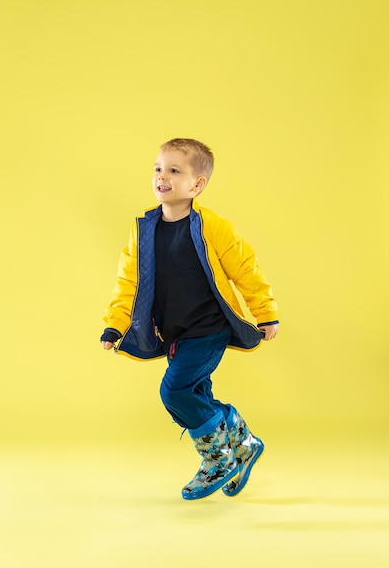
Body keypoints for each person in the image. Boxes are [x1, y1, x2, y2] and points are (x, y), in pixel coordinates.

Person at [100, 138, 279, 500]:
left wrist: (265, 313)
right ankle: (242, 443)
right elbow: (129, 283)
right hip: (174, 334)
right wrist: (115, 323)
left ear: (197, 185)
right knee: (195, 393)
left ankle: (217, 457)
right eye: (158, 168)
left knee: (175, 391)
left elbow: (245, 269)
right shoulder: (144, 230)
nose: (162, 176)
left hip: (209, 328)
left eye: (174, 170)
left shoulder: (212, 226)